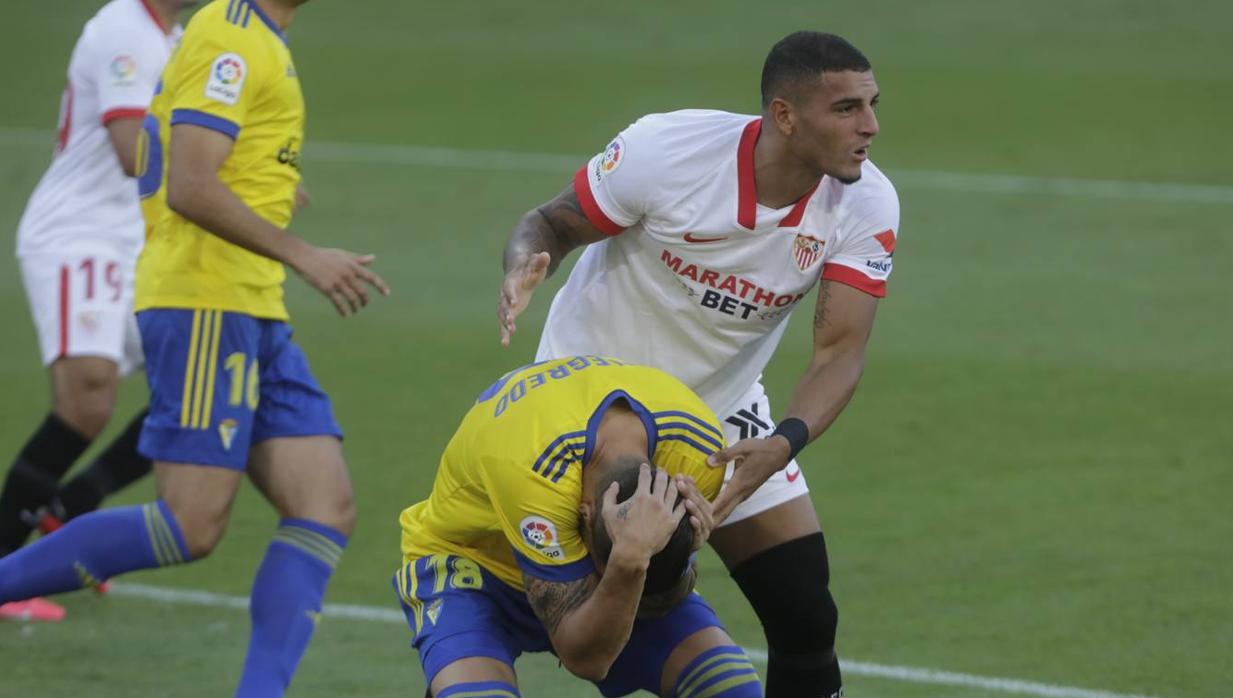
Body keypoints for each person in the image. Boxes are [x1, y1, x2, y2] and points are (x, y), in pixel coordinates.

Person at [0, 0, 388, 694]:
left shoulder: (253, 36)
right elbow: (189, 184)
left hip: (251, 306)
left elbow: (189, 152)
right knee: (189, 525)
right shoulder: (229, 35)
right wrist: (304, 254)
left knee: (323, 505)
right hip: (204, 302)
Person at [497, 31, 898, 698]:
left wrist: (783, 442)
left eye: (871, 105)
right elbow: (551, 223)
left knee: (804, 613)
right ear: (784, 115)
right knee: (564, 608)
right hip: (595, 413)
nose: (870, 126)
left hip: (722, 418)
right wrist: (522, 264)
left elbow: (837, 352)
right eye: (847, 109)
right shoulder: (668, 152)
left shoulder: (865, 202)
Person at [395, 357, 763, 698]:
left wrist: (681, 560)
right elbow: (585, 657)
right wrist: (626, 564)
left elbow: (659, 587)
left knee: (732, 688)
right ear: (583, 515)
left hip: (618, 560)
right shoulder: (533, 468)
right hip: (474, 563)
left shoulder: (698, 455)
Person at [0, 0, 195, 624]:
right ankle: (3, 569)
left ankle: (71, 506)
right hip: (80, 237)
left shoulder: (179, 36)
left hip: (138, 244)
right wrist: (235, 180)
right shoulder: (123, 28)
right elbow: (130, 150)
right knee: (86, 402)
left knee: (190, 382)